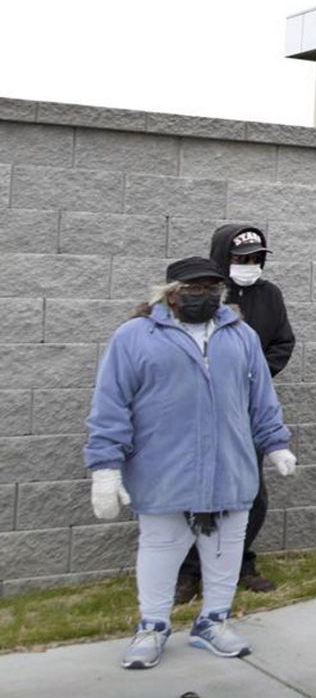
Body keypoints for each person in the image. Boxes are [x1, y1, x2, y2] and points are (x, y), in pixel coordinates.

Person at [84, 257, 296, 670]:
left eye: (211, 288)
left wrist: (275, 443)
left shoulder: (240, 336)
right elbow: (111, 405)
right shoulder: (134, 337)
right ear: (171, 292)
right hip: (165, 472)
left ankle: (213, 621)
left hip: (230, 470)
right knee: (161, 551)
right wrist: (105, 467)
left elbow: (261, 400)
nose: (204, 295)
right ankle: (153, 626)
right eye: (194, 288)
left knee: (225, 551)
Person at [173, 225, 296, 603]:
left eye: (256, 258)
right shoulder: (204, 296)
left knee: (251, 492)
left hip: (248, 408)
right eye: (241, 258)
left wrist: (253, 375)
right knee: (198, 493)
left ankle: (241, 561)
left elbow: (283, 342)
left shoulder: (269, 295)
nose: (250, 265)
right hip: (201, 410)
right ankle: (190, 572)